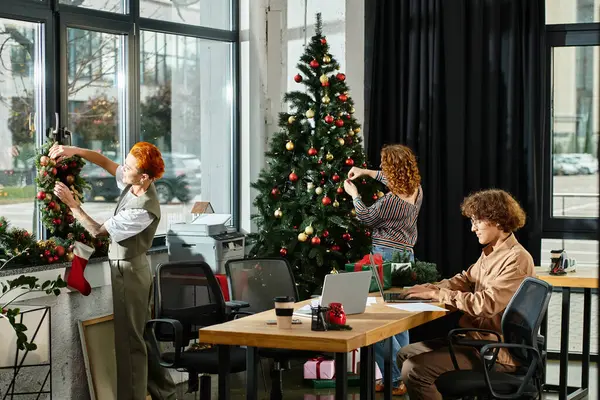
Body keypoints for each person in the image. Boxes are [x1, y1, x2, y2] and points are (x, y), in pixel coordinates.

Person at [50, 142, 176, 400]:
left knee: (130, 342)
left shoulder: (143, 209)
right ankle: (164, 391)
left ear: (144, 176)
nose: (123, 168)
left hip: (130, 273)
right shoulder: (135, 184)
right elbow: (105, 161)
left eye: (128, 166)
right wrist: (74, 150)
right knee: (140, 336)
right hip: (127, 267)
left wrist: (72, 205)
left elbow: (97, 230)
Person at [397, 189, 535, 400]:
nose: (472, 228)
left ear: (496, 220)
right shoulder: (490, 252)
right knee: (405, 354)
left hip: (495, 350)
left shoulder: (516, 259)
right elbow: (464, 280)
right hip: (475, 339)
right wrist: (430, 288)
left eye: (476, 222)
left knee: (414, 369)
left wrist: (439, 295)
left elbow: (485, 304)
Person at [343, 144, 423, 396]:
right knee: (399, 317)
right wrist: (365, 172)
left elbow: (366, 216)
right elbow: (387, 178)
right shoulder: (416, 190)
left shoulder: (390, 202)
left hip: (385, 259)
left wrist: (354, 193)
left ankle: (395, 377)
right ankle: (403, 374)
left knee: (377, 320)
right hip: (405, 256)